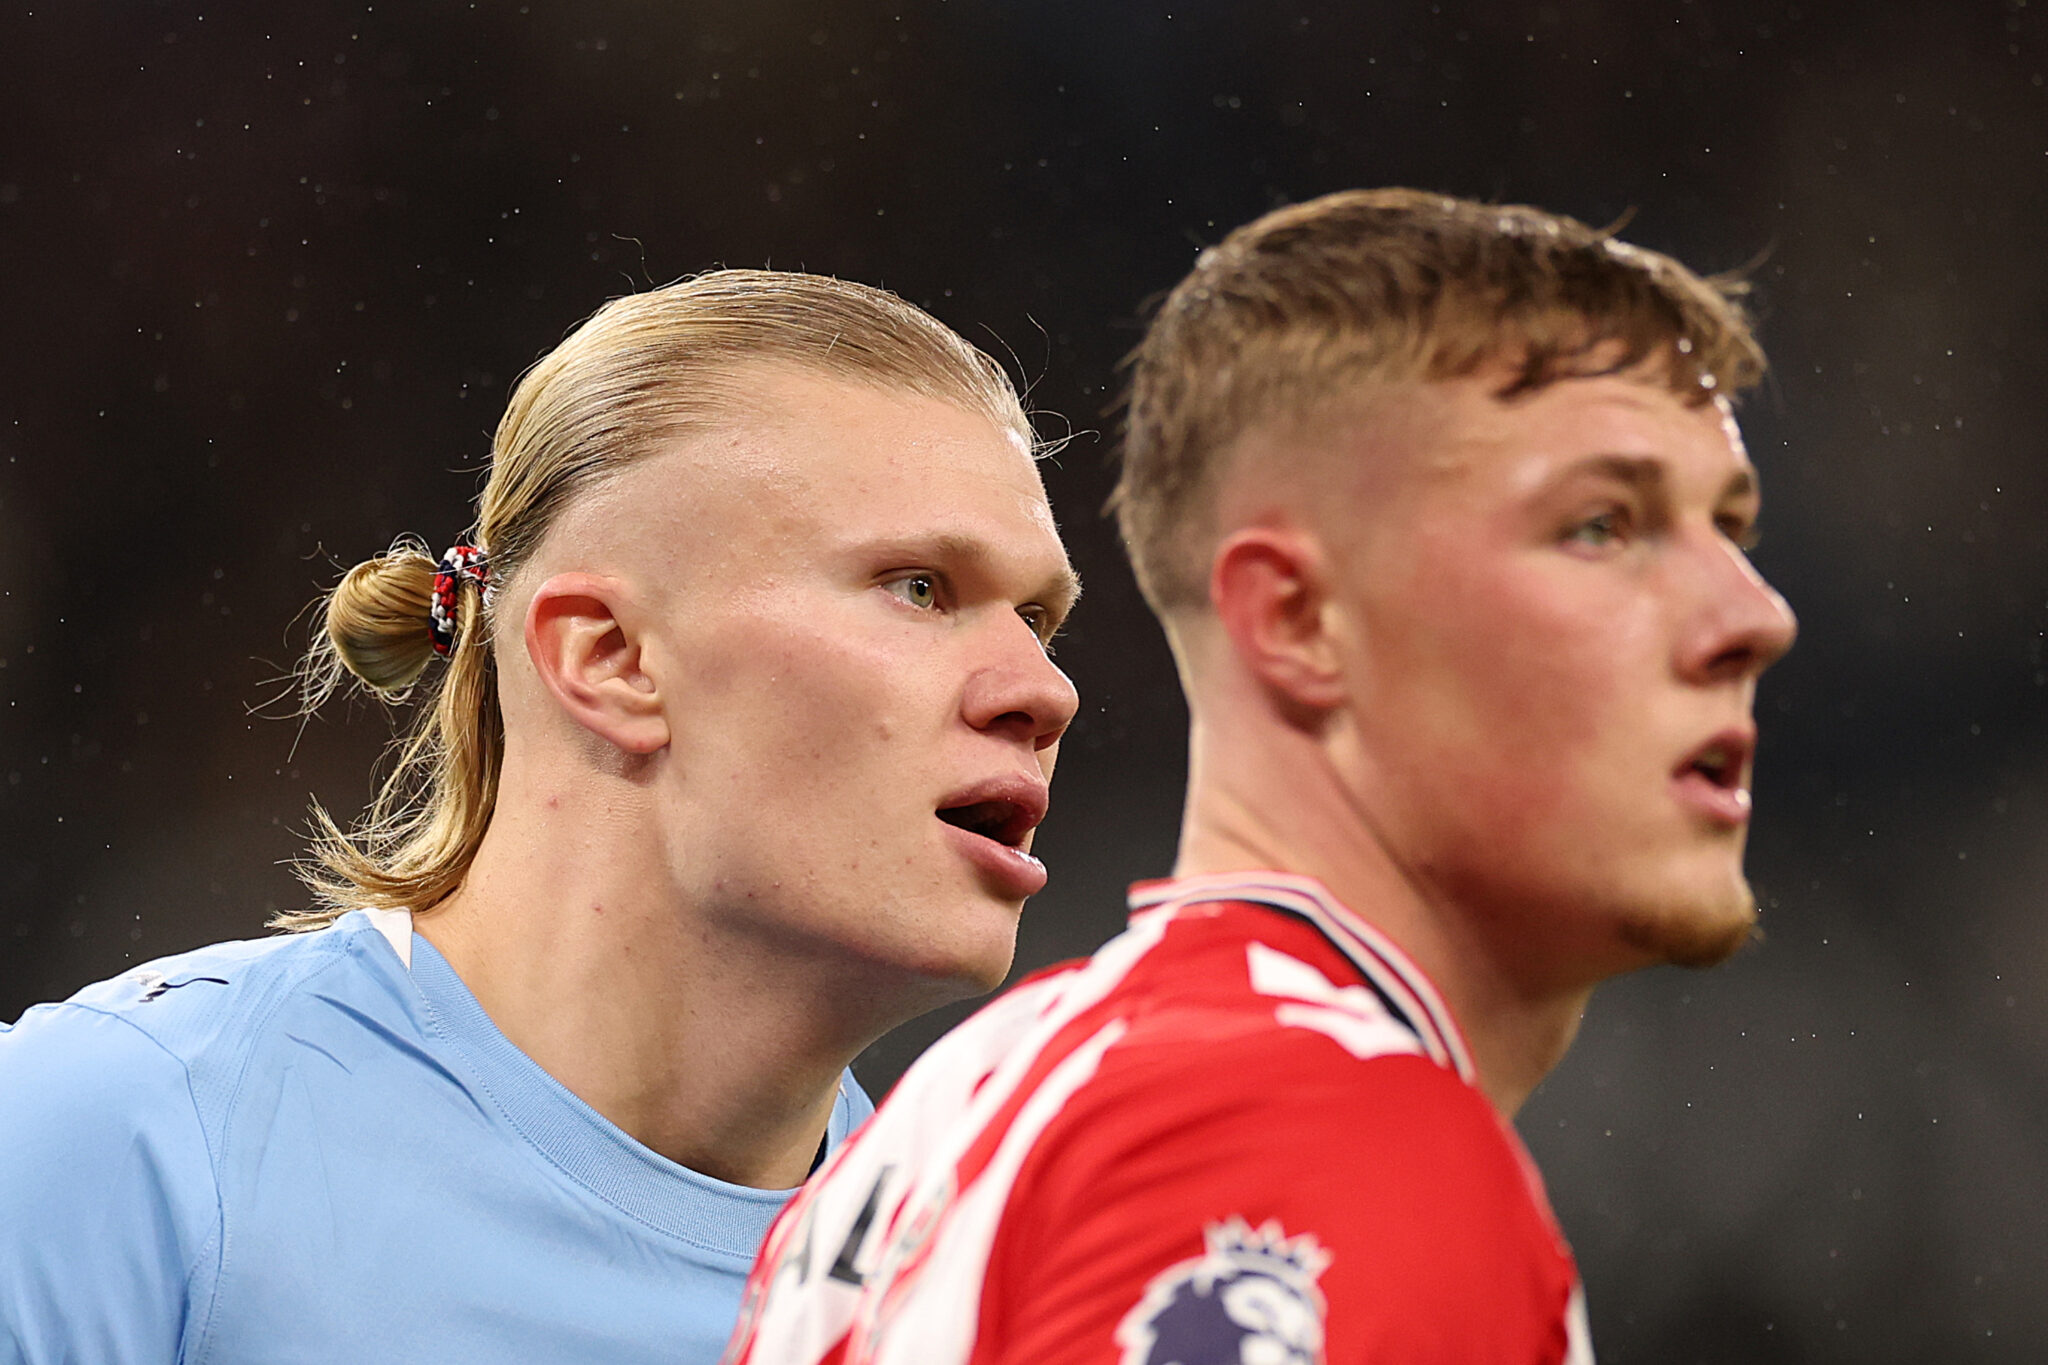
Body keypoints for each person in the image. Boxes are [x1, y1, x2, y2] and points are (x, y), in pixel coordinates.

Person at [724, 189, 1800, 1365]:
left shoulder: (943, 1117)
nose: (1750, 617)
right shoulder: (1310, 1136)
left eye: (1727, 532)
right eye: (1601, 525)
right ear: (1295, 620)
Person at [0, 270, 1081, 1364]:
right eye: (919, 587)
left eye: (1038, 618)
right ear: (607, 658)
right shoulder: (118, 1144)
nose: (1042, 691)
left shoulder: (1005, 1289)